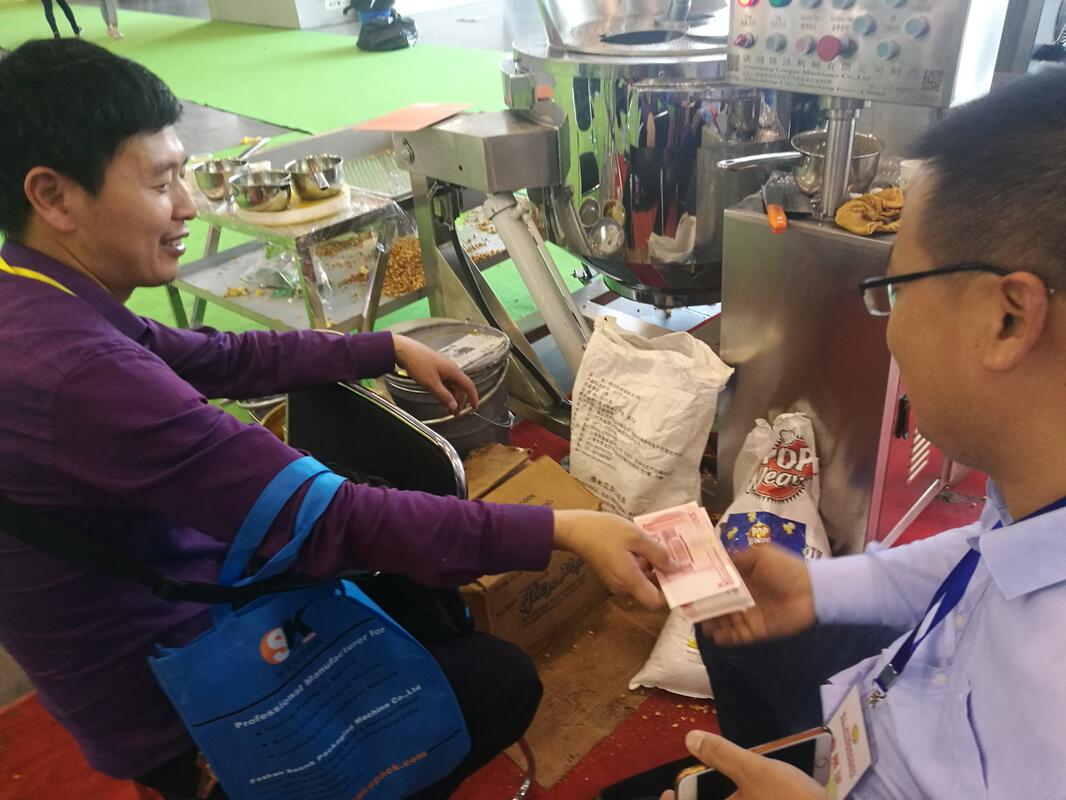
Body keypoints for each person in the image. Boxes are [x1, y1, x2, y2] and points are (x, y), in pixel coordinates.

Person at [0, 40, 677, 800]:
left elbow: (217, 356)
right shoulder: (79, 375)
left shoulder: (32, 298)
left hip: (176, 606)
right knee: (498, 679)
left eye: (185, 174)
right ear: (53, 197)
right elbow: (331, 521)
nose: (188, 204)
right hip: (183, 688)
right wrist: (566, 529)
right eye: (161, 183)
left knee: (422, 600)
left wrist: (380, 345)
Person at [664, 67, 1066, 799]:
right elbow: (988, 553)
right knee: (739, 637)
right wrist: (819, 588)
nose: (891, 332)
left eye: (897, 290)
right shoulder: (1037, 495)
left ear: (1008, 319)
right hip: (878, 723)